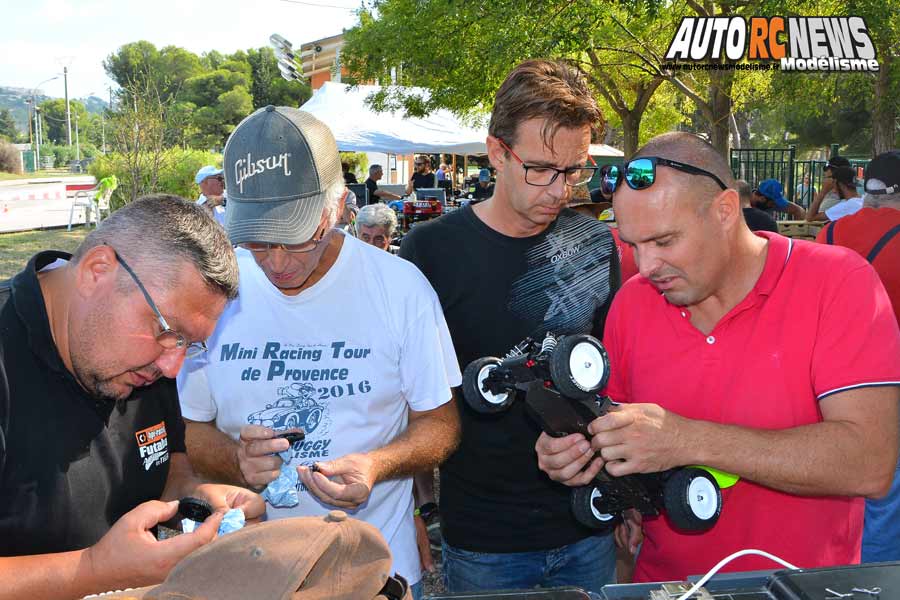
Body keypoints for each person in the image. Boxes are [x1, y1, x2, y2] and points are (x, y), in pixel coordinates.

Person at [535, 132, 900, 583]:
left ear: (726, 211)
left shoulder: (838, 282)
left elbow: (870, 462)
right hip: (665, 586)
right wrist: (584, 458)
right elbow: (628, 437)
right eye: (633, 244)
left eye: (664, 241)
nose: (647, 266)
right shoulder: (633, 302)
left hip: (799, 587)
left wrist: (688, 439)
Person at [176, 106, 461, 599]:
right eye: (260, 242)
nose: (278, 262)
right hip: (247, 570)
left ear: (341, 206)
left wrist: (376, 465)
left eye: (298, 236)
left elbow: (441, 424)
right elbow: (195, 432)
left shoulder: (399, 288)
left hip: (373, 567)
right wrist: (237, 460)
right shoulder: (218, 291)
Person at [400, 59, 621, 594]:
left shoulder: (595, 245)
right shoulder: (431, 251)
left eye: (575, 170)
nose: (560, 189)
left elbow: (612, 380)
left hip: (588, 525)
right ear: (497, 152)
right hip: (484, 538)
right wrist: (418, 506)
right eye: (542, 168)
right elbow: (408, 396)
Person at [0, 195, 265, 599]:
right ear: (97, 270)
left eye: (189, 345)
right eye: (167, 331)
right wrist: (93, 570)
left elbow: (171, 467)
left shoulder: (147, 365)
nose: (173, 366)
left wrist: (193, 502)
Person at [816, 150, 900, 563]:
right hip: (892, 382)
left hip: (829, 378)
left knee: (842, 489)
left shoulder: (829, 235)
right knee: (886, 492)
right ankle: (874, 580)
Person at [807, 156, 851, 220]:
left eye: (827, 178)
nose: (825, 181)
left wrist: (822, 192)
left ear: (836, 179)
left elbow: (809, 218)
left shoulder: (838, 202)